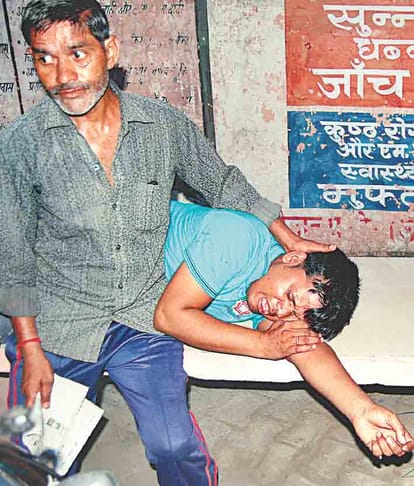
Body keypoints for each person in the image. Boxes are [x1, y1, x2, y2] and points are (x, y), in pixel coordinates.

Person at [0, 1, 335, 484]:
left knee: (175, 446)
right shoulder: (19, 144)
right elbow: (11, 255)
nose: (63, 75)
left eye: (77, 54)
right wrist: (30, 346)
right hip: (60, 319)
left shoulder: (161, 125)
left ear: (110, 50)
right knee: (32, 459)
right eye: (44, 58)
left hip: (143, 317)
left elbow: (221, 181)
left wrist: (285, 233)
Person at [154, 201, 414, 460]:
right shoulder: (238, 238)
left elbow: (307, 349)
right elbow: (169, 316)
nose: (280, 311)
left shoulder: (272, 295)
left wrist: (361, 410)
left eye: (292, 314)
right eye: (289, 295)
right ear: (292, 258)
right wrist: (262, 344)